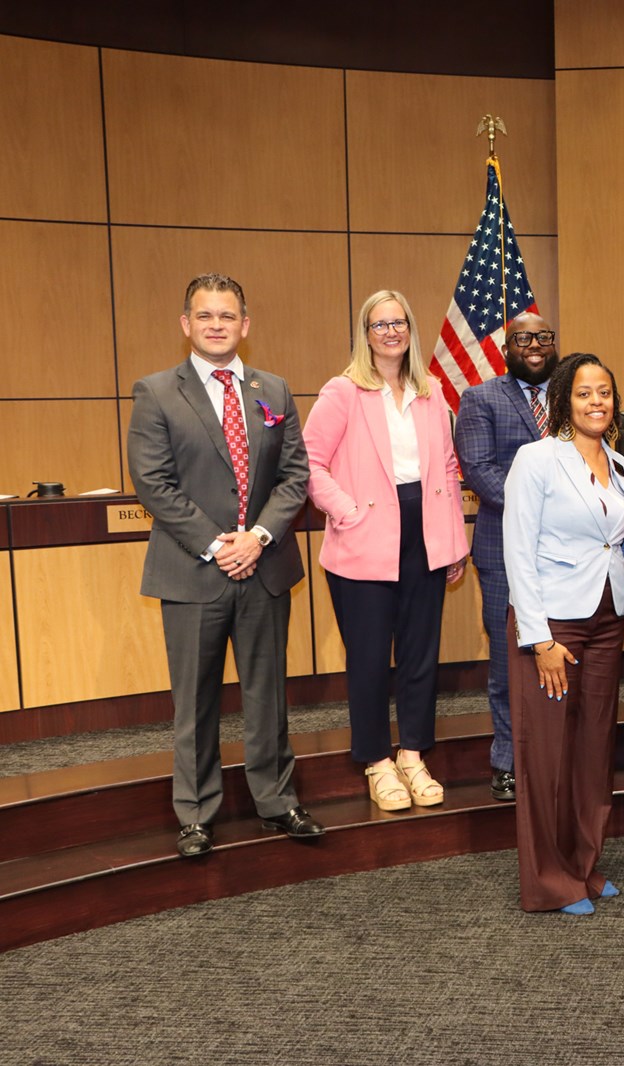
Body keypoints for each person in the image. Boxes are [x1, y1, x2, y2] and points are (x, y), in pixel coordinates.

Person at [127, 273, 323, 857]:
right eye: (205, 315)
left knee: (269, 694)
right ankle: (195, 813)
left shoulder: (274, 390)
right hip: (193, 571)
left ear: (246, 324)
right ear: (187, 324)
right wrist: (219, 544)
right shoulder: (157, 391)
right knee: (195, 700)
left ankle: (277, 800)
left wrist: (258, 537)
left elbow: (295, 476)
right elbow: (153, 483)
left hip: (263, 565)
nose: (217, 324)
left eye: (228, 315)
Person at [303, 290, 469, 813]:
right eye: (380, 324)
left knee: (420, 657)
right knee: (371, 660)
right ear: (365, 333)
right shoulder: (342, 391)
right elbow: (308, 463)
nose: (391, 331)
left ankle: (413, 754)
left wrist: (451, 539)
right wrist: (348, 512)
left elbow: (446, 467)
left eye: (399, 322)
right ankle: (376, 761)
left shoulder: (431, 391)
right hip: (365, 538)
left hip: (426, 533)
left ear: (411, 330)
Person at [502, 354, 624, 916]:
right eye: (584, 394)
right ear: (564, 400)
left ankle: (583, 863)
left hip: (607, 620)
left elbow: (615, 543)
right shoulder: (536, 459)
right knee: (547, 755)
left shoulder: (621, 463)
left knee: (592, 749)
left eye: (604, 392)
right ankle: (549, 880)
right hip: (553, 624)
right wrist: (537, 638)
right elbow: (517, 548)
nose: (596, 402)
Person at [456, 311, 559, 801]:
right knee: (509, 659)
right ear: (506, 348)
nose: (534, 345)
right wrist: (538, 513)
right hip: (503, 550)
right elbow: (479, 469)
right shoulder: (480, 399)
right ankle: (508, 759)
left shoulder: (572, 395)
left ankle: (556, 754)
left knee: (563, 649)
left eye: (543, 337)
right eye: (523, 339)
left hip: (567, 554)